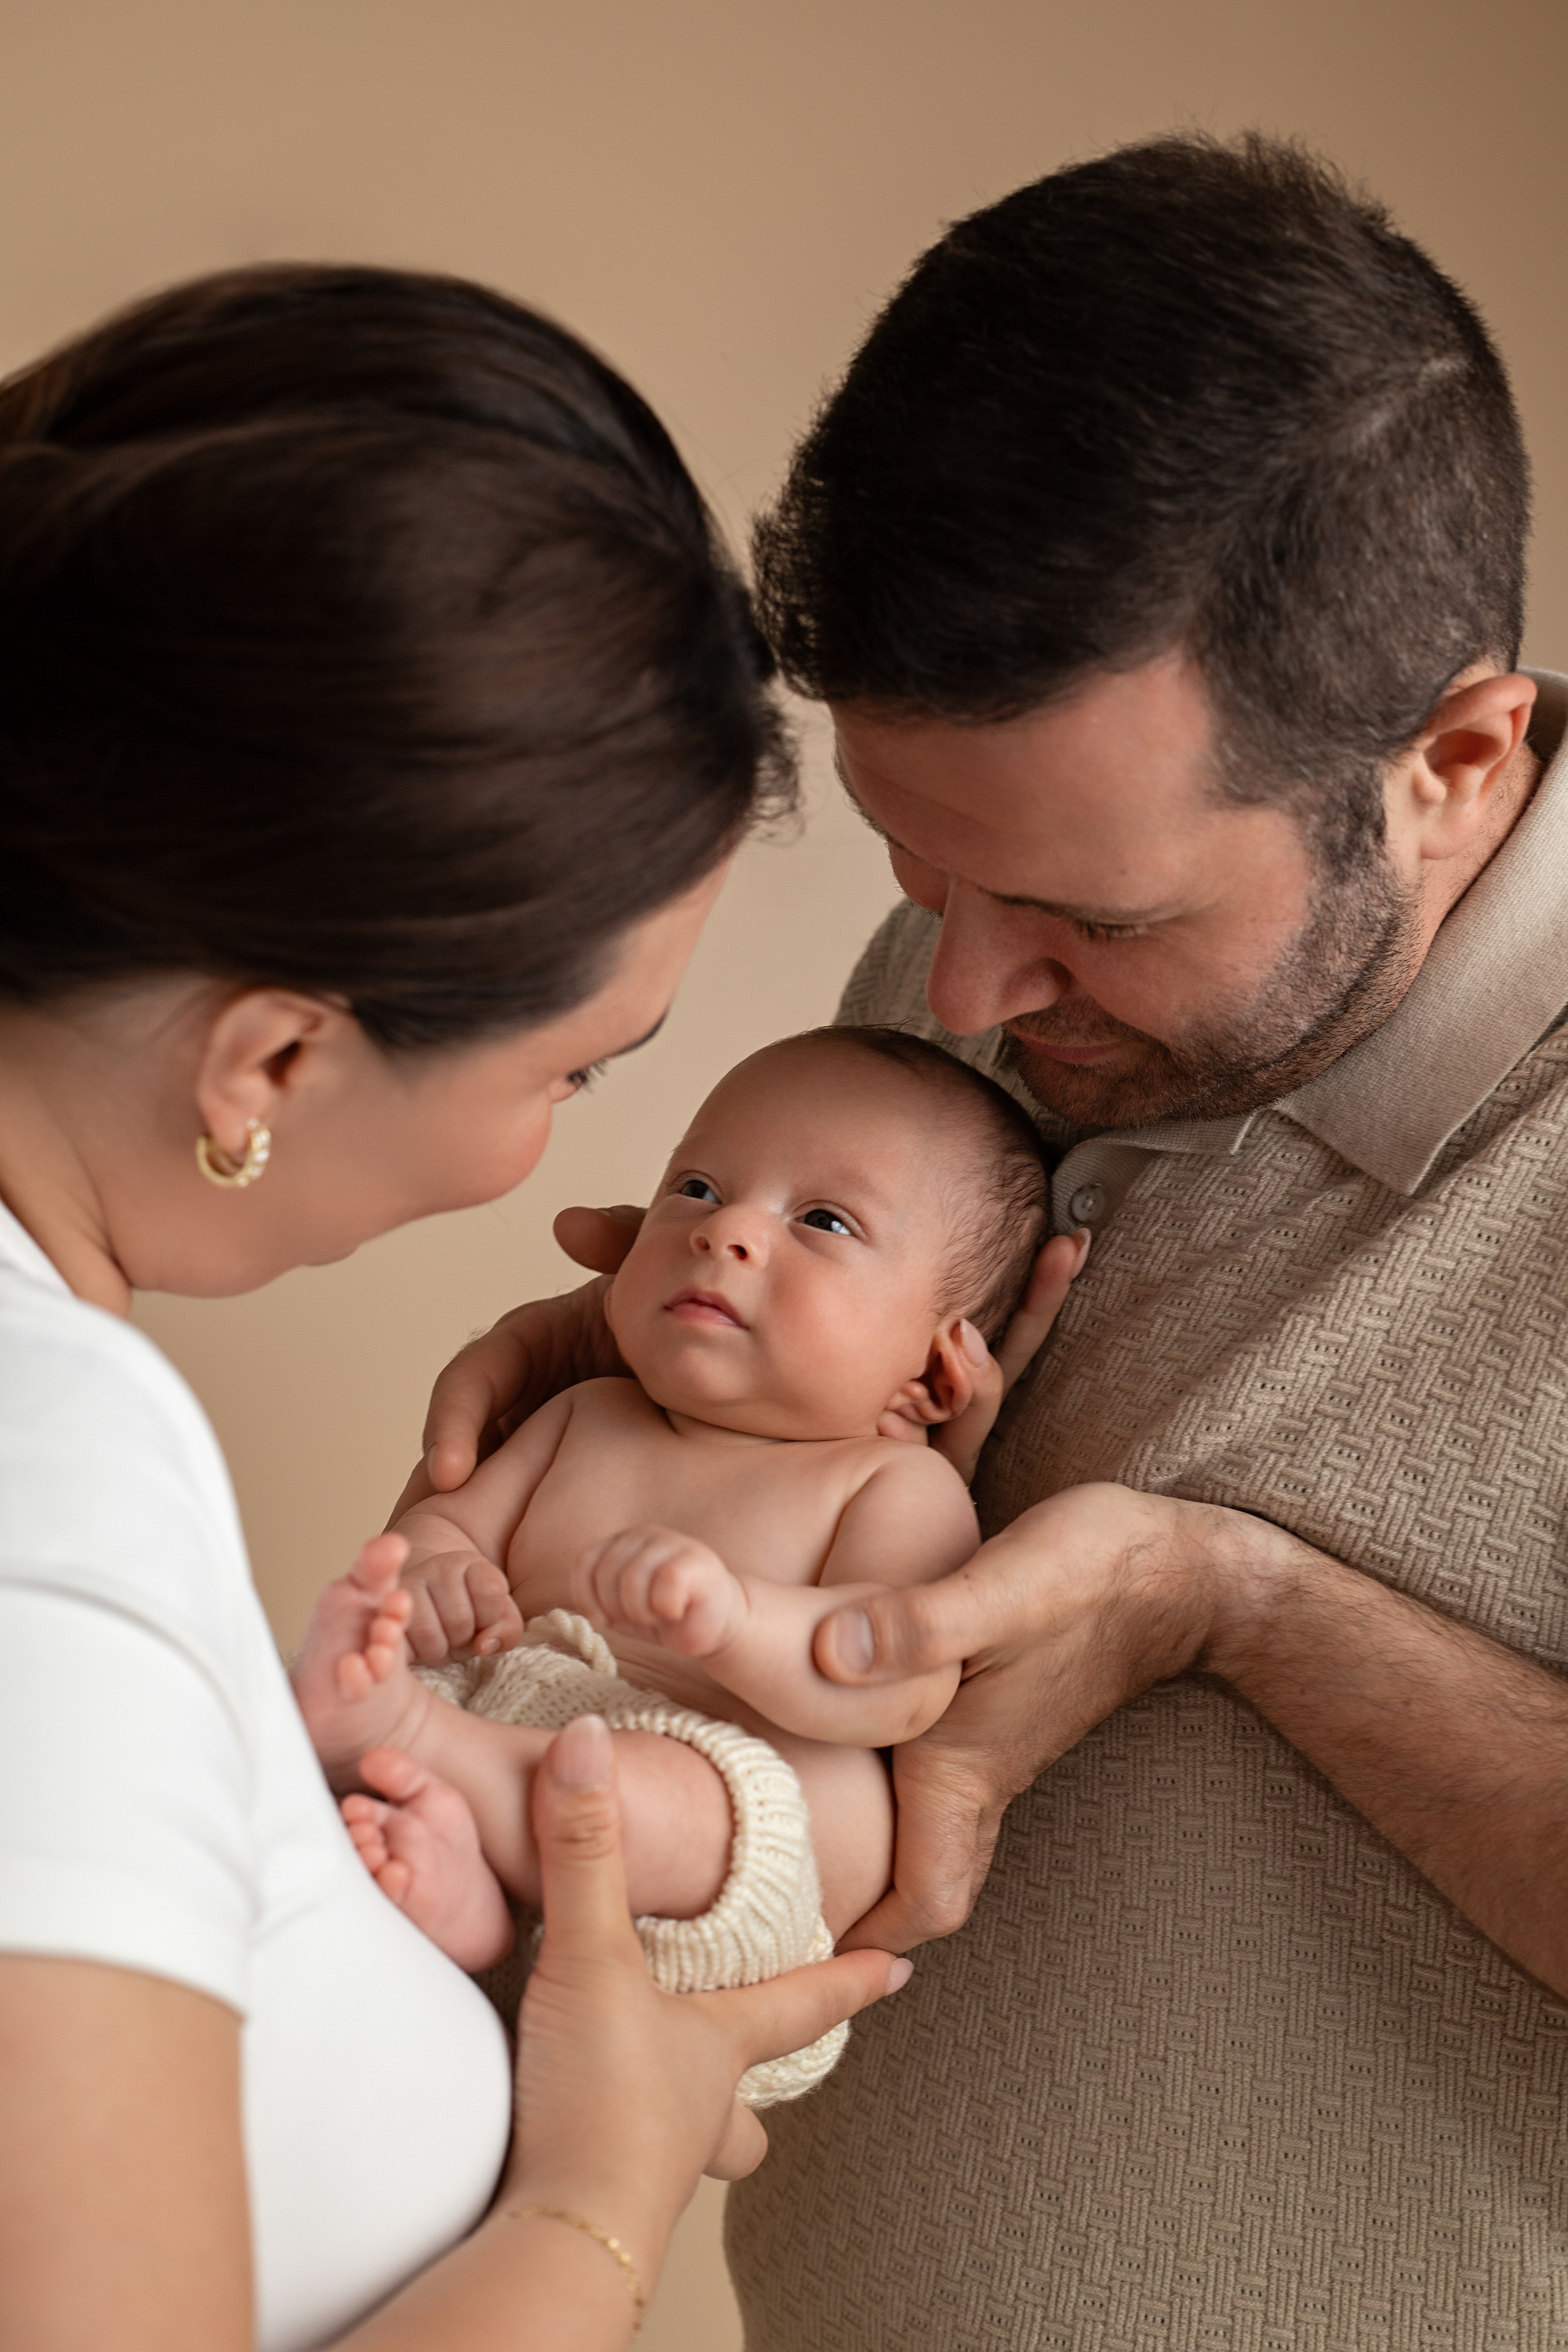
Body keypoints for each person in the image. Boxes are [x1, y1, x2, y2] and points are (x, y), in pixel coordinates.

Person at [415, 134, 1568, 2349]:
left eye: (1088, 918)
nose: (954, 997)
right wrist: (661, 1359)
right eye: (918, 873)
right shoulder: (972, 969)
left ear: (1452, 756)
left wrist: (1231, 1600)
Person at [0, 263, 908, 2352]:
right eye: (577, 1074)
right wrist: (601, 2187)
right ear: (270, 1070)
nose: (560, 1170)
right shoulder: (56, 1467)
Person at [293, 1027, 1080, 2106]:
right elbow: (450, 1528)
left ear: (937, 1374)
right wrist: (438, 1572)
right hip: (513, 1750)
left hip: (712, 1885)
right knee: (390, 1680)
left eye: (823, 1221)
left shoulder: (891, 1487)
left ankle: (429, 1759)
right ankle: (466, 1888)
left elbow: (899, 1685)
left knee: (714, 1796)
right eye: (699, 1188)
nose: (728, 1234)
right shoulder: (587, 1414)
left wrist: (736, 1623)